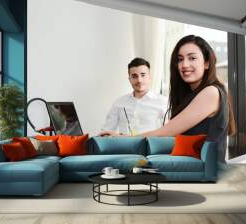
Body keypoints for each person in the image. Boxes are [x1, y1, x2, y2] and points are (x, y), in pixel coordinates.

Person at [100, 35, 236, 162]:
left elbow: (164, 133)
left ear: (206, 63)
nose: (184, 64)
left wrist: (120, 139)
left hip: (204, 174)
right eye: (180, 59)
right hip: (192, 168)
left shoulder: (210, 92)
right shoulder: (191, 95)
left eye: (192, 58)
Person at [101, 57, 168, 135]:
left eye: (143, 75)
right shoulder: (118, 103)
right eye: (134, 76)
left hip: (151, 146)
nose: (139, 80)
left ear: (149, 77)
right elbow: (106, 132)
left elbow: (169, 133)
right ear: (129, 79)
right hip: (124, 146)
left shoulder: (163, 102)